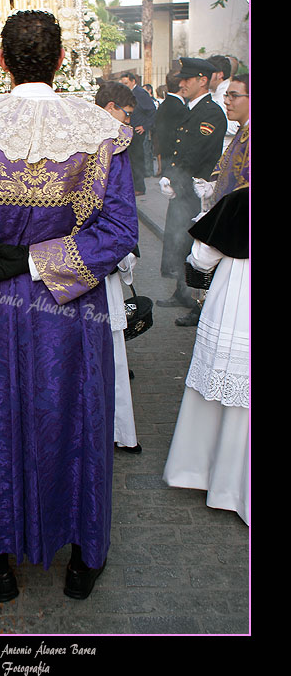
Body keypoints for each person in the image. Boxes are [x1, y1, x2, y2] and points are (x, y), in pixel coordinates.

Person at [0, 10, 138, 602]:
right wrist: (45, 260)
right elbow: (120, 229)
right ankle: (83, 558)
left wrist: (5, 258)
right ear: (60, 60)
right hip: (70, 306)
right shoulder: (99, 129)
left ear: (1, 61)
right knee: (74, 415)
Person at [163, 73, 249, 524]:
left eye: (236, 95)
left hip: (240, 272)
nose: (228, 101)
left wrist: (203, 251)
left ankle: (224, 479)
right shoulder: (241, 139)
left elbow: (235, 206)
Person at [156, 57, 227, 327]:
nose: (181, 83)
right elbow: (179, 148)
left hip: (197, 191)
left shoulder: (209, 112)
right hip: (183, 189)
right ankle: (182, 292)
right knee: (179, 241)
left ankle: (199, 303)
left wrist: (175, 180)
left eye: (187, 79)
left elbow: (197, 152)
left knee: (196, 246)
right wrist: (169, 177)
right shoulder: (192, 109)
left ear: (203, 81)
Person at [94, 81, 141, 453]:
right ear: (111, 107)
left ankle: (113, 428)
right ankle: (107, 428)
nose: (129, 123)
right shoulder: (103, 142)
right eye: (126, 114)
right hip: (97, 263)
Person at [120, 72, 156, 195]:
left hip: (137, 131)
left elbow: (152, 110)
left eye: (126, 83)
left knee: (137, 160)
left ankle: (139, 187)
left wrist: (145, 126)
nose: (124, 86)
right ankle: (133, 185)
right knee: (130, 160)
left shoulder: (140, 93)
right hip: (129, 130)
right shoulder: (128, 94)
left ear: (133, 81)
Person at [153, 70, 188, 178]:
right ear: (182, 84)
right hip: (176, 165)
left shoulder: (165, 105)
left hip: (167, 160)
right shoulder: (179, 108)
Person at [208, 55, 240, 151]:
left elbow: (237, 126)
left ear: (219, 75)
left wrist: (212, 124)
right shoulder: (211, 92)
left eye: (209, 72)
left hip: (226, 150)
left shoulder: (229, 92)